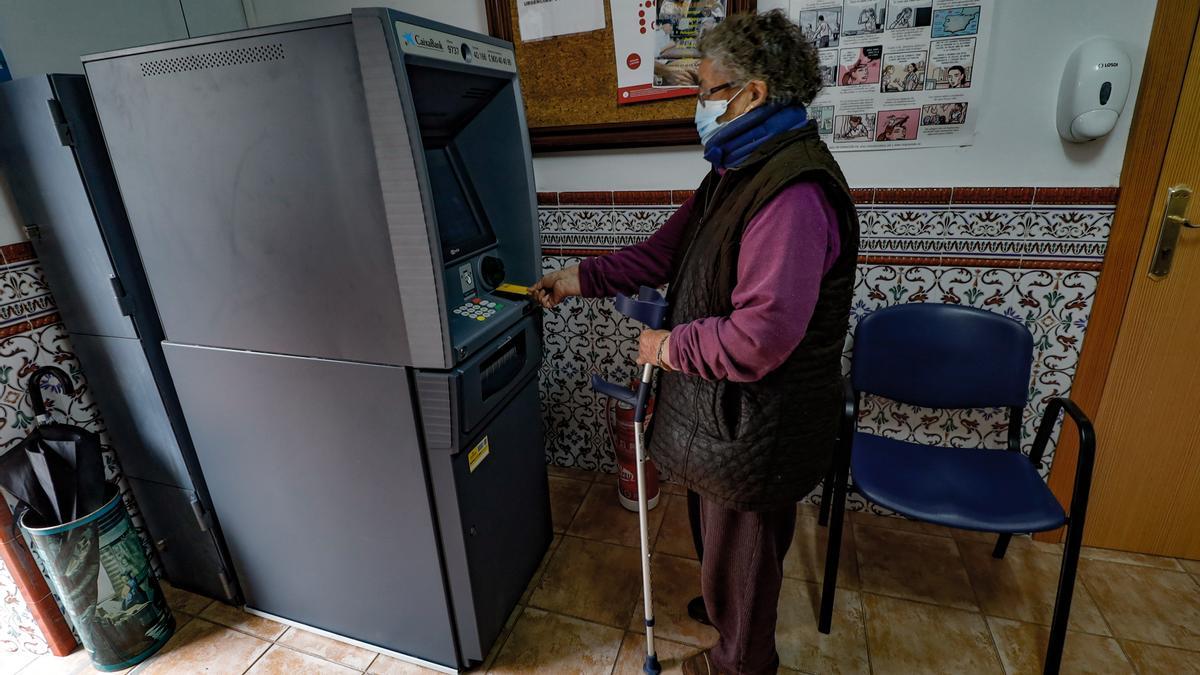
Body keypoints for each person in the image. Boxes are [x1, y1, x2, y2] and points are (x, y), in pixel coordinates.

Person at [532, 10, 859, 675]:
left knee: (745, 559)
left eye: (707, 90)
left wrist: (665, 347)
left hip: (759, 426)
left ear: (753, 94)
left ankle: (738, 661)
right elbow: (662, 252)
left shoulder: (790, 194)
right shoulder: (736, 173)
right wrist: (576, 278)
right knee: (726, 551)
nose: (699, 105)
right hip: (725, 419)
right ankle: (727, 615)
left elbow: (759, 338)